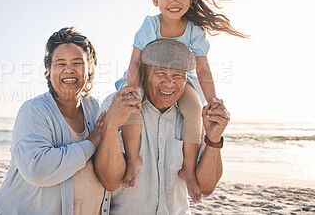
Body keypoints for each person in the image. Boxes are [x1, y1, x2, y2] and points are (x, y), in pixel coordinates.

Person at [118, 0, 246, 202]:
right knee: (132, 108)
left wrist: (212, 102)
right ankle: (133, 158)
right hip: (144, 77)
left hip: (179, 80)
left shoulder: (194, 31)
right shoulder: (150, 25)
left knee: (194, 108)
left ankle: (188, 169)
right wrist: (131, 90)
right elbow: (135, 61)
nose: (173, 1)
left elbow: (203, 69)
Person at [95, 39, 230, 215]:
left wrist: (213, 140)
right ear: (144, 72)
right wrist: (111, 126)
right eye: (160, 73)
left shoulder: (194, 114)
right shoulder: (117, 106)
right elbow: (110, 181)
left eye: (178, 76)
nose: (169, 83)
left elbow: (206, 187)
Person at [0, 27, 109, 215]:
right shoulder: (34, 110)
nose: (69, 69)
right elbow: (37, 169)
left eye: (77, 62)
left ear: (89, 69)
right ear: (49, 69)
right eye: (60, 63)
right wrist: (91, 143)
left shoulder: (94, 108)